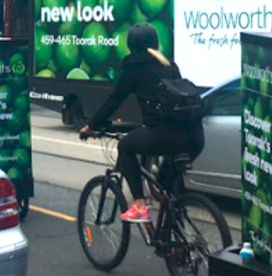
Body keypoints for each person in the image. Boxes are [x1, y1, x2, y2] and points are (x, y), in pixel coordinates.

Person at [79, 23, 206, 223]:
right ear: (156, 42)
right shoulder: (170, 66)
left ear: (131, 45)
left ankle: (139, 205)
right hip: (195, 136)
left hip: (164, 135)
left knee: (126, 146)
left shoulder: (134, 69)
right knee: (166, 183)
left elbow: (113, 101)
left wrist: (92, 126)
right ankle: (176, 237)